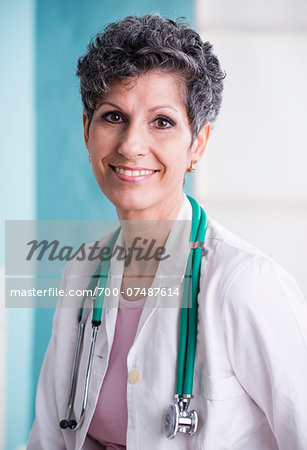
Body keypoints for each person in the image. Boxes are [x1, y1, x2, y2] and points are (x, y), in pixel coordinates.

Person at [27, 14, 307, 450]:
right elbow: (49, 437)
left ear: (198, 143)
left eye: (162, 122)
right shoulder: (80, 272)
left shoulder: (244, 284)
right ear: (86, 131)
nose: (130, 145)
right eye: (113, 116)